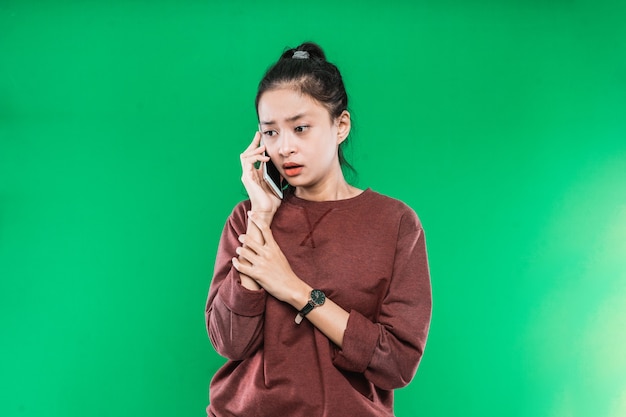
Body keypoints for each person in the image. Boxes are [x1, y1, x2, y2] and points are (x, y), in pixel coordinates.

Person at [205, 42, 431, 417]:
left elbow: (397, 363)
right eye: (271, 133)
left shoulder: (396, 224)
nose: (285, 148)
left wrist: (295, 290)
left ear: (340, 125)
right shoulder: (247, 217)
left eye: (300, 128)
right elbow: (229, 341)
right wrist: (261, 217)